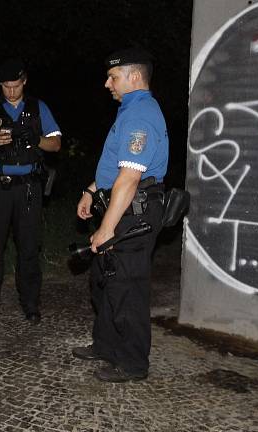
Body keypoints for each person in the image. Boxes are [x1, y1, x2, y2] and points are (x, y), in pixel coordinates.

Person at [71, 47, 168, 383]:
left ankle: (132, 362)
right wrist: (92, 188)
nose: (107, 83)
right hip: (122, 205)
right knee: (103, 279)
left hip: (133, 211)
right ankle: (106, 344)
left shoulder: (140, 115)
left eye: (113, 76)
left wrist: (107, 228)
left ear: (134, 76)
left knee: (127, 286)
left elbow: (130, 178)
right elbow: (118, 166)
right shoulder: (130, 111)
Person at [0, 58, 62, 322]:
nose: (10, 92)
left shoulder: (38, 108)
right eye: (6, 86)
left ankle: (30, 303)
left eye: (15, 86)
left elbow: (56, 144)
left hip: (29, 188)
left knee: (29, 248)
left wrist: (38, 140)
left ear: (24, 81)